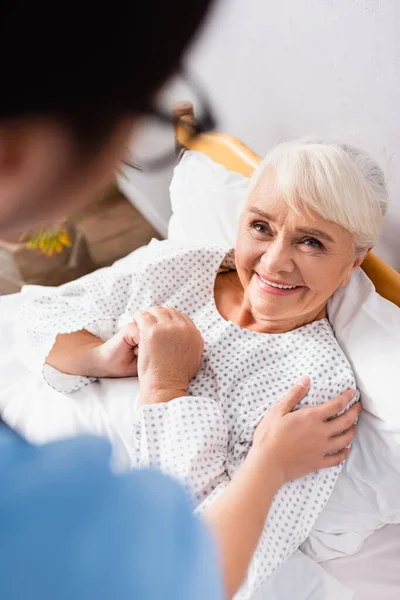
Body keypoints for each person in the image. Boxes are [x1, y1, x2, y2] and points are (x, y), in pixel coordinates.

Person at [0, 3, 360, 599]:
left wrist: (140, 376)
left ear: (352, 264)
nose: (273, 262)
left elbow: (225, 552)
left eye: (313, 241)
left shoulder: (314, 386)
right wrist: (115, 361)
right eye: (260, 227)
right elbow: (39, 314)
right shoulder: (187, 264)